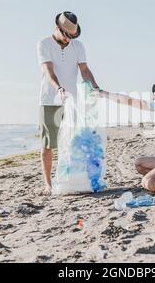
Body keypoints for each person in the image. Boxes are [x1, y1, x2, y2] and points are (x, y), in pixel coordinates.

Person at [37, 11, 100, 195]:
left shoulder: (78, 46)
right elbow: (49, 71)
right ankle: (48, 184)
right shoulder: (44, 44)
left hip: (73, 102)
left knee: (72, 143)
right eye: (67, 35)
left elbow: (85, 70)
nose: (69, 39)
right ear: (57, 28)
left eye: (72, 36)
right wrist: (59, 88)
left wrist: (95, 87)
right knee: (48, 144)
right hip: (50, 100)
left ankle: (69, 180)